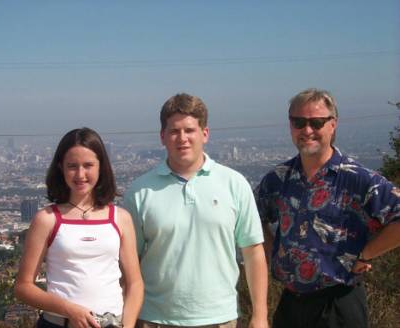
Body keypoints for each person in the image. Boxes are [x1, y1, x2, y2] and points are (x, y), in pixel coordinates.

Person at [255, 88, 400, 328]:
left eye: (317, 122)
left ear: (333, 125)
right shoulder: (278, 179)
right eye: (299, 122)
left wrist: (366, 254)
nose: (307, 130)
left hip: (338, 303)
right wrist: (274, 252)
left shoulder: (359, 178)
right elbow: (251, 219)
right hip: (291, 303)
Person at [124, 93, 268, 328]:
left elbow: (253, 253)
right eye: (174, 131)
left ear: (205, 134)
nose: (182, 138)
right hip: (155, 319)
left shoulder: (234, 183)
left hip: (220, 318)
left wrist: (260, 316)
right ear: (162, 137)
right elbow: (129, 265)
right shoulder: (139, 192)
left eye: (190, 130)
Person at [15, 128, 144, 328]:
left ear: (101, 167)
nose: (80, 174)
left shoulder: (120, 218)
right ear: (61, 168)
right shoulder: (47, 219)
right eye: (72, 166)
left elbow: (134, 283)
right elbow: (23, 286)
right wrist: (69, 309)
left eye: (88, 165)